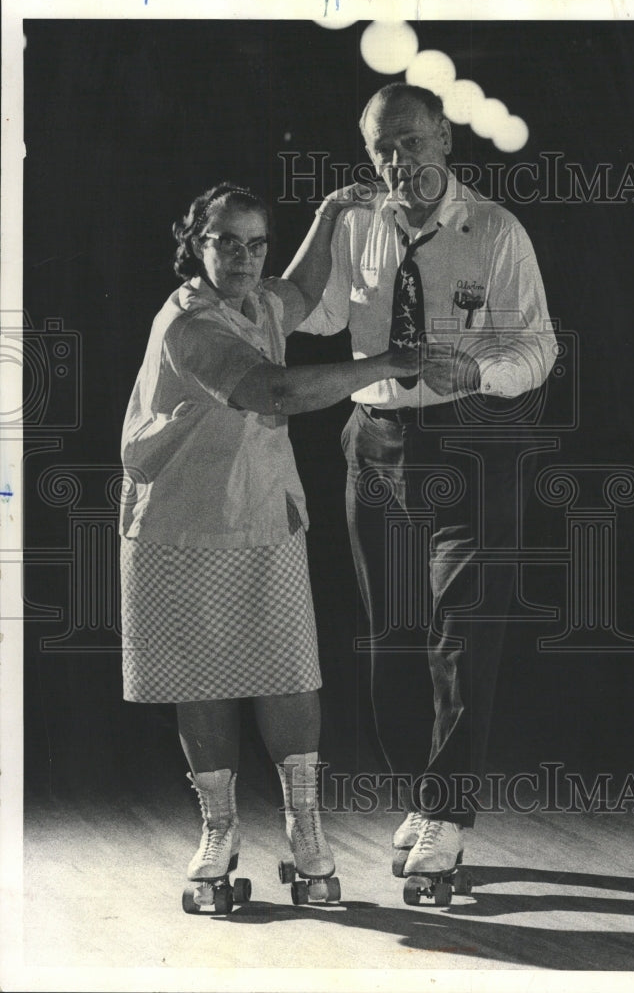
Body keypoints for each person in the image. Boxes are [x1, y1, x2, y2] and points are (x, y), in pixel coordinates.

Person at [119, 181, 419, 908]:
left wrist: (331, 212)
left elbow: (302, 284)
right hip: (179, 526)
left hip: (264, 515)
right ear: (195, 243)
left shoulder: (259, 301)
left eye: (257, 244)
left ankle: (307, 832)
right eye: (228, 243)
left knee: (290, 675)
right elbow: (276, 391)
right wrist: (384, 365)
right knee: (203, 683)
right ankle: (218, 833)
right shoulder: (190, 325)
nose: (246, 259)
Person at [290, 83, 558, 878]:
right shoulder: (358, 225)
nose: (396, 161)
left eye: (410, 141)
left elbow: (540, 347)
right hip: (374, 445)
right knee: (392, 637)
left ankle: (447, 809)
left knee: (462, 636)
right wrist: (322, 224)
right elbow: (311, 317)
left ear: (443, 136)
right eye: (381, 147)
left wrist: (479, 371)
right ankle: (420, 791)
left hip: (471, 448)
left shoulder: (497, 232)